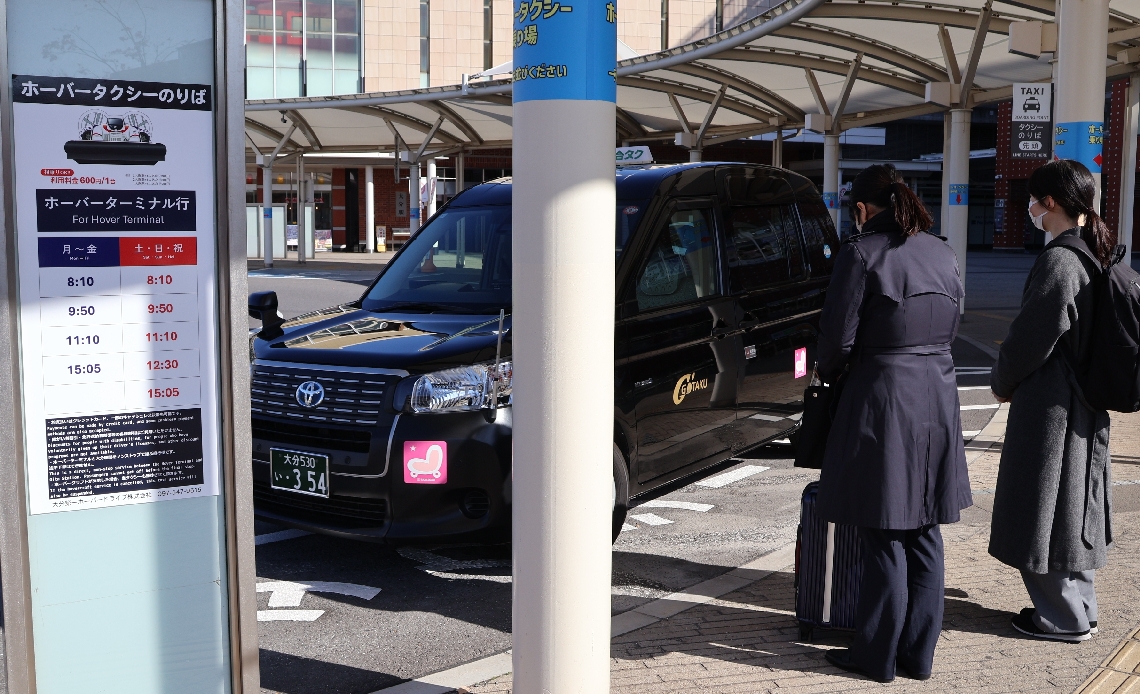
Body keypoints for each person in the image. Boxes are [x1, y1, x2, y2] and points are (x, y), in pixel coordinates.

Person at [815, 163, 972, 682]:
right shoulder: (943, 251)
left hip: (883, 397)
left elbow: (837, 342)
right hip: (939, 394)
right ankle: (917, 656)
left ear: (861, 209)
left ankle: (876, 656)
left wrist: (830, 373)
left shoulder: (860, 254)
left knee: (885, 529)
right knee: (924, 528)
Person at [988, 159, 1114, 643]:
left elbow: (1028, 339)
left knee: (1043, 507)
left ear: (1053, 203)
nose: (1031, 208)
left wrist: (1002, 381)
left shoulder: (1060, 260)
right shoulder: (1096, 252)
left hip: (1051, 406)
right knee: (1075, 505)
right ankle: (1081, 608)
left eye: (1036, 199)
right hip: (1085, 401)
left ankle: (1062, 618)